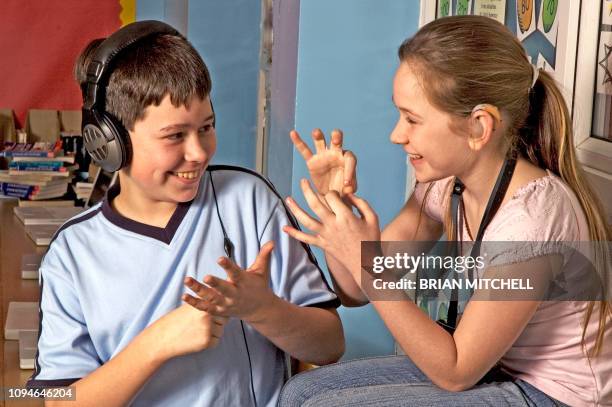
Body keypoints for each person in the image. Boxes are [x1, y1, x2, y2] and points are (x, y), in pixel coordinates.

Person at [279, 15, 611, 406]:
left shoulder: (531, 219)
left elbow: (455, 372)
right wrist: (337, 209)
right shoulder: (445, 186)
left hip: (559, 394)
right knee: (301, 391)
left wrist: (367, 267)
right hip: (500, 368)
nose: (396, 135)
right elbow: (355, 291)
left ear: (478, 128)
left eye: (412, 119)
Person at [27, 21, 343, 406]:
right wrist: (157, 343)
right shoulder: (71, 255)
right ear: (110, 144)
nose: (199, 152)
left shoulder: (248, 200)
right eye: (175, 135)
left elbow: (329, 346)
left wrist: (263, 310)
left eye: (206, 127)